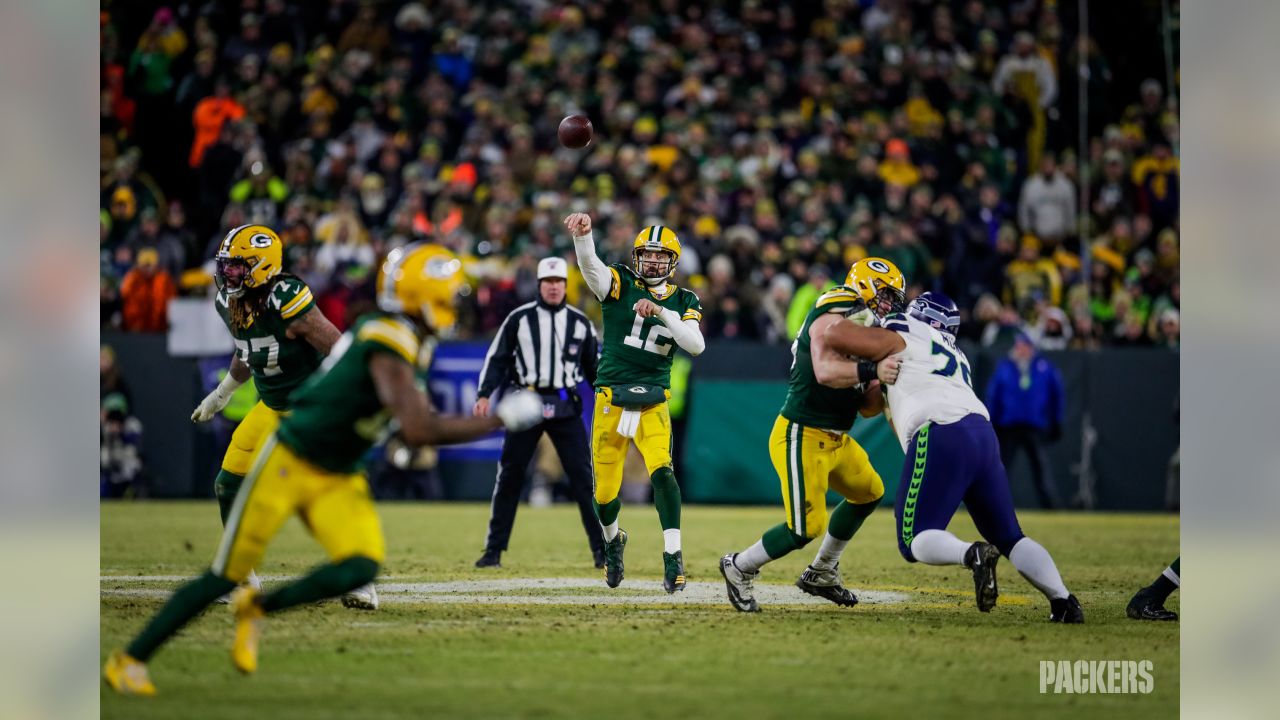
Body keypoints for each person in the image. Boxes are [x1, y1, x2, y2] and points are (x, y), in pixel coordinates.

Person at [104, 243, 545, 695]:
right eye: (449, 296)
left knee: (360, 567)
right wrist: (500, 418)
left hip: (337, 470)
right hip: (291, 459)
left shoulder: (399, 335)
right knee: (224, 574)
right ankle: (128, 659)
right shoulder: (388, 337)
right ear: (424, 295)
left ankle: (258, 607)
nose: (455, 306)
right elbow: (417, 428)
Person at [821, 291, 1083, 623]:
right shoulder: (956, 353)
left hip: (941, 430)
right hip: (983, 433)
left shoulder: (903, 328)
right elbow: (877, 401)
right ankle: (1063, 600)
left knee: (913, 538)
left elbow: (836, 334)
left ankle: (971, 554)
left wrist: (848, 335)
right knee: (1010, 536)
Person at [188, 224, 367, 606]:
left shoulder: (287, 299)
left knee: (319, 500)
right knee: (228, 481)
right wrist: (221, 395)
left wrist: (345, 402)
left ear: (262, 267)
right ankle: (242, 576)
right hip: (271, 406)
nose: (227, 275)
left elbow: (339, 349)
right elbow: (248, 351)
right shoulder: (229, 302)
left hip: (308, 410)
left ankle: (357, 577)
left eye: (237, 268)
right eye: (226, 267)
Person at [719, 258, 904, 612]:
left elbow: (865, 406)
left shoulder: (863, 326)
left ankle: (822, 571)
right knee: (805, 527)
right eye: (885, 294)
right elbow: (825, 371)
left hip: (836, 438)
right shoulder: (836, 304)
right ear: (864, 285)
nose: (889, 305)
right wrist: (872, 366)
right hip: (801, 434)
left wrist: (884, 382)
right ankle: (738, 566)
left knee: (869, 493)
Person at [564, 213, 705, 593]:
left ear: (673, 262)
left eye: (661, 256)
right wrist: (584, 237)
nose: (654, 262)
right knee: (605, 494)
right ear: (638, 256)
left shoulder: (685, 299)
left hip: (653, 400)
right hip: (611, 395)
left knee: (662, 472)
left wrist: (661, 311)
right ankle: (613, 541)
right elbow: (591, 268)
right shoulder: (620, 281)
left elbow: (696, 345)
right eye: (648, 254)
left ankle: (673, 556)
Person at [473, 257, 604, 569]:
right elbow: (498, 358)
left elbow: (594, 369)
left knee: (583, 480)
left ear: (565, 284)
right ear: (539, 284)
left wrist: (609, 393)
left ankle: (602, 550)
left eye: (559, 281)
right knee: (510, 476)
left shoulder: (580, 322)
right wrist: (484, 394)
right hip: (527, 403)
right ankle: (494, 550)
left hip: (565, 403)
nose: (554, 287)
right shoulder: (519, 319)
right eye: (548, 281)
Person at [984, 331, 1065, 509]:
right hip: (1008, 426)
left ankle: (1050, 505)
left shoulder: (1043, 367)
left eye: (1025, 346)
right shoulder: (1005, 366)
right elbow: (993, 395)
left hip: (1034, 425)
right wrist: (992, 421)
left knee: (1041, 468)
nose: (1022, 349)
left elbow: (1056, 394)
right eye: (1019, 345)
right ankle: (996, 505)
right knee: (1002, 468)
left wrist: (1056, 420)